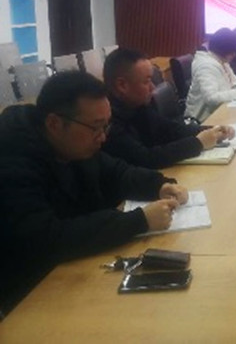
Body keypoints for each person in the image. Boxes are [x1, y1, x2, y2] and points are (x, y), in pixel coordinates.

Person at [0, 71, 189, 316]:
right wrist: (139, 220)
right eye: (96, 127)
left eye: (106, 125)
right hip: (31, 294)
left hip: (77, 266)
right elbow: (46, 239)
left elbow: (116, 171)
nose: (103, 136)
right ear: (54, 124)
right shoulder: (11, 162)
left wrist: (159, 185)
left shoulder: (71, 143)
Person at [101, 48, 235, 169]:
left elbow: (171, 130)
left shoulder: (137, 106)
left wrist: (211, 130)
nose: (153, 88)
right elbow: (145, 158)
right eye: (146, 81)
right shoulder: (106, 121)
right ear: (122, 85)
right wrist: (198, 143)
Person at [185, 28, 236, 122]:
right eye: (232, 51)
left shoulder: (222, 61)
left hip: (223, 109)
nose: (234, 55)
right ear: (223, 49)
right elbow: (211, 99)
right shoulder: (206, 66)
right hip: (203, 120)